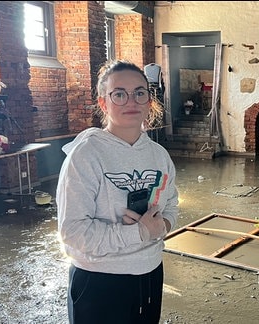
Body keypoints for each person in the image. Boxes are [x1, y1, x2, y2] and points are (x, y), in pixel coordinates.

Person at [56, 60, 179, 323]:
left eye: (139, 92)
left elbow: (171, 203)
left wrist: (163, 225)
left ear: (149, 101)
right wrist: (137, 233)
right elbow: (73, 232)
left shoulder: (159, 155)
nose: (131, 101)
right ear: (104, 103)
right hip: (100, 280)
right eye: (119, 94)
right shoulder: (86, 155)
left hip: (150, 272)